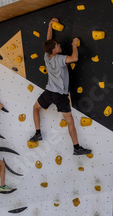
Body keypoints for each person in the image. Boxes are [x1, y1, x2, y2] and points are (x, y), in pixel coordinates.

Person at [29, 17, 92, 155]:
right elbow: (74, 58)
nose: (59, 46)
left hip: (49, 92)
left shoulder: (47, 57)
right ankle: (76, 148)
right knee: (70, 121)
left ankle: (38, 132)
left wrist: (50, 25)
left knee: (35, 108)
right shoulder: (60, 58)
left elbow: (48, 40)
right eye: (57, 46)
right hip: (60, 96)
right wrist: (74, 45)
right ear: (53, 50)